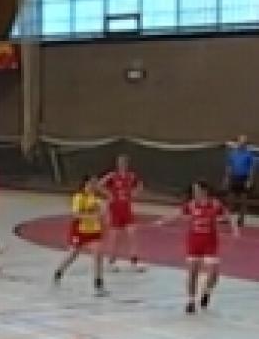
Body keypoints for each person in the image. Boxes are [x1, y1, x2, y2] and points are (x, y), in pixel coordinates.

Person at [155, 181, 240, 314]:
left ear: (204, 191)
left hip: (210, 243)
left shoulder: (215, 204)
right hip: (194, 242)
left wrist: (235, 230)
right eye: (194, 190)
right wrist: (162, 221)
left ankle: (206, 292)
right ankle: (191, 301)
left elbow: (230, 217)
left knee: (213, 273)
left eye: (197, 190)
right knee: (192, 272)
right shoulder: (191, 205)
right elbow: (177, 213)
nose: (195, 193)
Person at [53, 175, 108, 297]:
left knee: (98, 254)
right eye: (92, 183)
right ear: (86, 184)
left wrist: (103, 214)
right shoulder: (79, 197)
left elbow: (103, 212)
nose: (94, 186)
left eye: (96, 183)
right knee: (73, 254)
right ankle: (59, 272)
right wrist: (91, 216)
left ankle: (98, 283)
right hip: (80, 230)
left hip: (94, 230)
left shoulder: (97, 198)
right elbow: (75, 214)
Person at [99, 154, 144, 271]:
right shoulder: (112, 175)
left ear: (127, 164)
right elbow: (99, 185)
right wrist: (108, 194)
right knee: (115, 238)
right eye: (120, 162)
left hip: (127, 210)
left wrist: (135, 193)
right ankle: (111, 262)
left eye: (124, 162)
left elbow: (140, 185)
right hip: (115, 210)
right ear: (117, 164)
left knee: (132, 235)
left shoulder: (131, 176)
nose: (122, 164)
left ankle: (134, 262)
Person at [223, 135, 257, 227]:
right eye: (241, 142)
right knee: (230, 199)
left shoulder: (249, 155)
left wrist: (250, 180)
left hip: (244, 178)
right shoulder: (233, 154)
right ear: (237, 142)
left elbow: (251, 169)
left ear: (246, 144)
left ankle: (241, 219)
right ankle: (228, 218)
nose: (242, 144)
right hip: (234, 178)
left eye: (244, 142)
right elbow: (229, 166)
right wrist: (226, 178)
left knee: (243, 200)